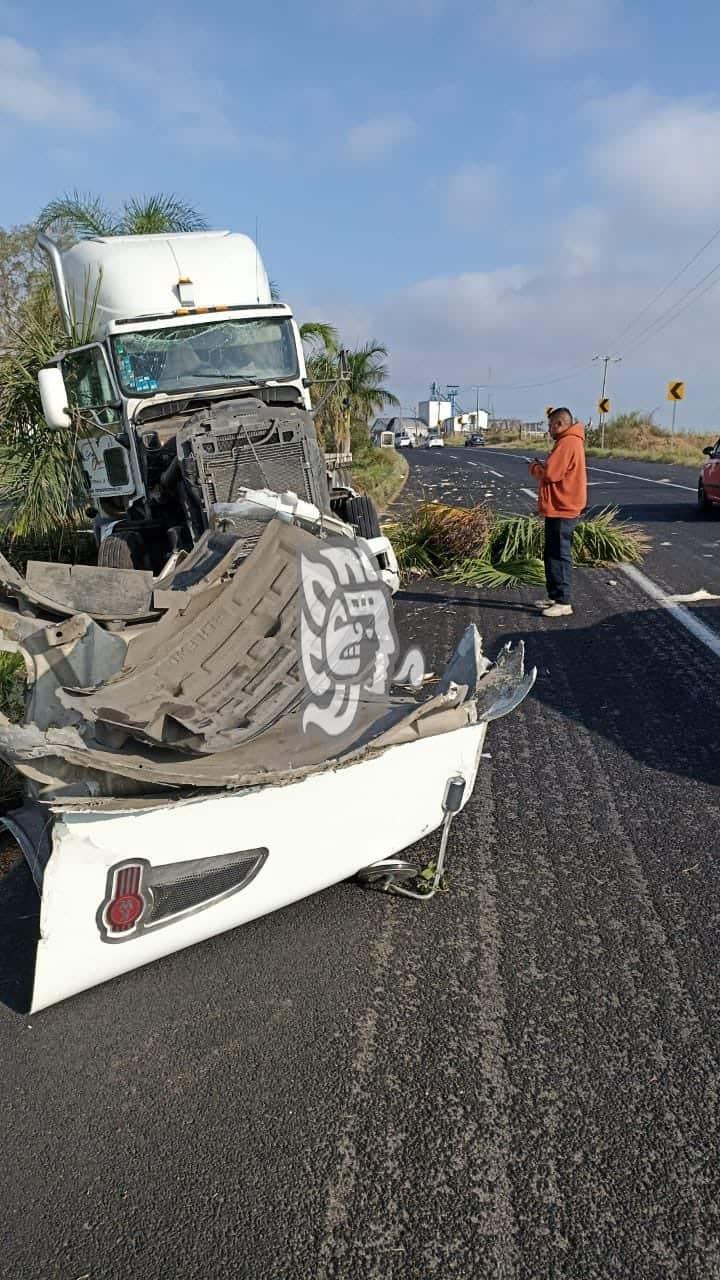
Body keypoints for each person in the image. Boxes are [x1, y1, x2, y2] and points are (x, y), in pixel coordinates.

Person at [529, 407, 587, 617]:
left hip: (563, 506)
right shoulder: (568, 441)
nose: (549, 430)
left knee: (560, 554)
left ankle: (563, 602)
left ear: (559, 424)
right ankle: (554, 596)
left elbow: (551, 473)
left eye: (550, 425)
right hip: (559, 506)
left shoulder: (568, 442)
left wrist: (535, 468)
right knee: (551, 553)